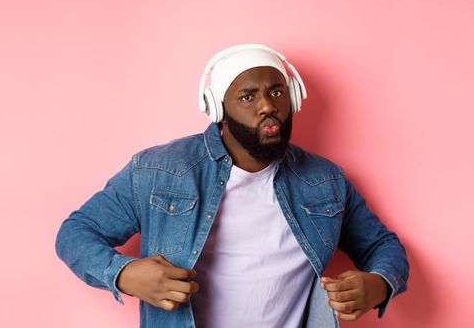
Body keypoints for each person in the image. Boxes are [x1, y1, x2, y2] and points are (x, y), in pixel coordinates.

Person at [55, 44, 409, 328]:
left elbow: (382, 246)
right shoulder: (158, 170)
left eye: (277, 92)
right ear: (217, 108)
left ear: (294, 98)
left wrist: (379, 285)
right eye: (247, 96)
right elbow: (76, 233)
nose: (268, 106)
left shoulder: (325, 180)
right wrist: (124, 274)